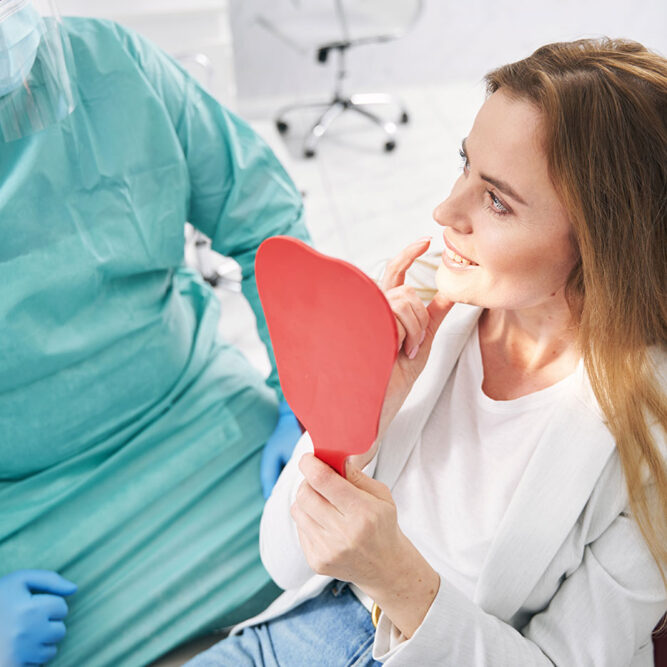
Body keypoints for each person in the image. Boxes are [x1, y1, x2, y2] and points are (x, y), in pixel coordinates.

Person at [187, 37, 667, 666]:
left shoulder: (649, 439)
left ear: (605, 241)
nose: (446, 210)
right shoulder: (422, 311)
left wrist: (398, 579)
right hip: (293, 637)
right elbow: (284, 560)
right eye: (463, 164)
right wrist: (358, 413)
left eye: (496, 199)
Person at [0, 1, 309, 665]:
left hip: (198, 424)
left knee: (369, 539)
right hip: (25, 510)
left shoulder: (107, 63)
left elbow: (264, 218)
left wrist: (301, 399)